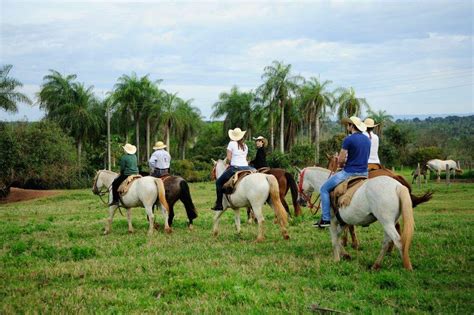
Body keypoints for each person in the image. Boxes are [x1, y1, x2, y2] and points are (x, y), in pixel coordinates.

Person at [315, 116, 371, 228]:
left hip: (349, 173)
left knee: (324, 189)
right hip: (364, 173)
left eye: (348, 125)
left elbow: (340, 159)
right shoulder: (367, 139)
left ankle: (325, 219)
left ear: (352, 126)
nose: (347, 126)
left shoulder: (348, 139)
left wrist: (341, 163)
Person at [211, 127, 254, 211]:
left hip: (235, 168)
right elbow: (244, 158)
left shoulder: (231, 144)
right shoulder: (245, 146)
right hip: (247, 167)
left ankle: (219, 204)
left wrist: (227, 163)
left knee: (218, 183)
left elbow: (229, 158)